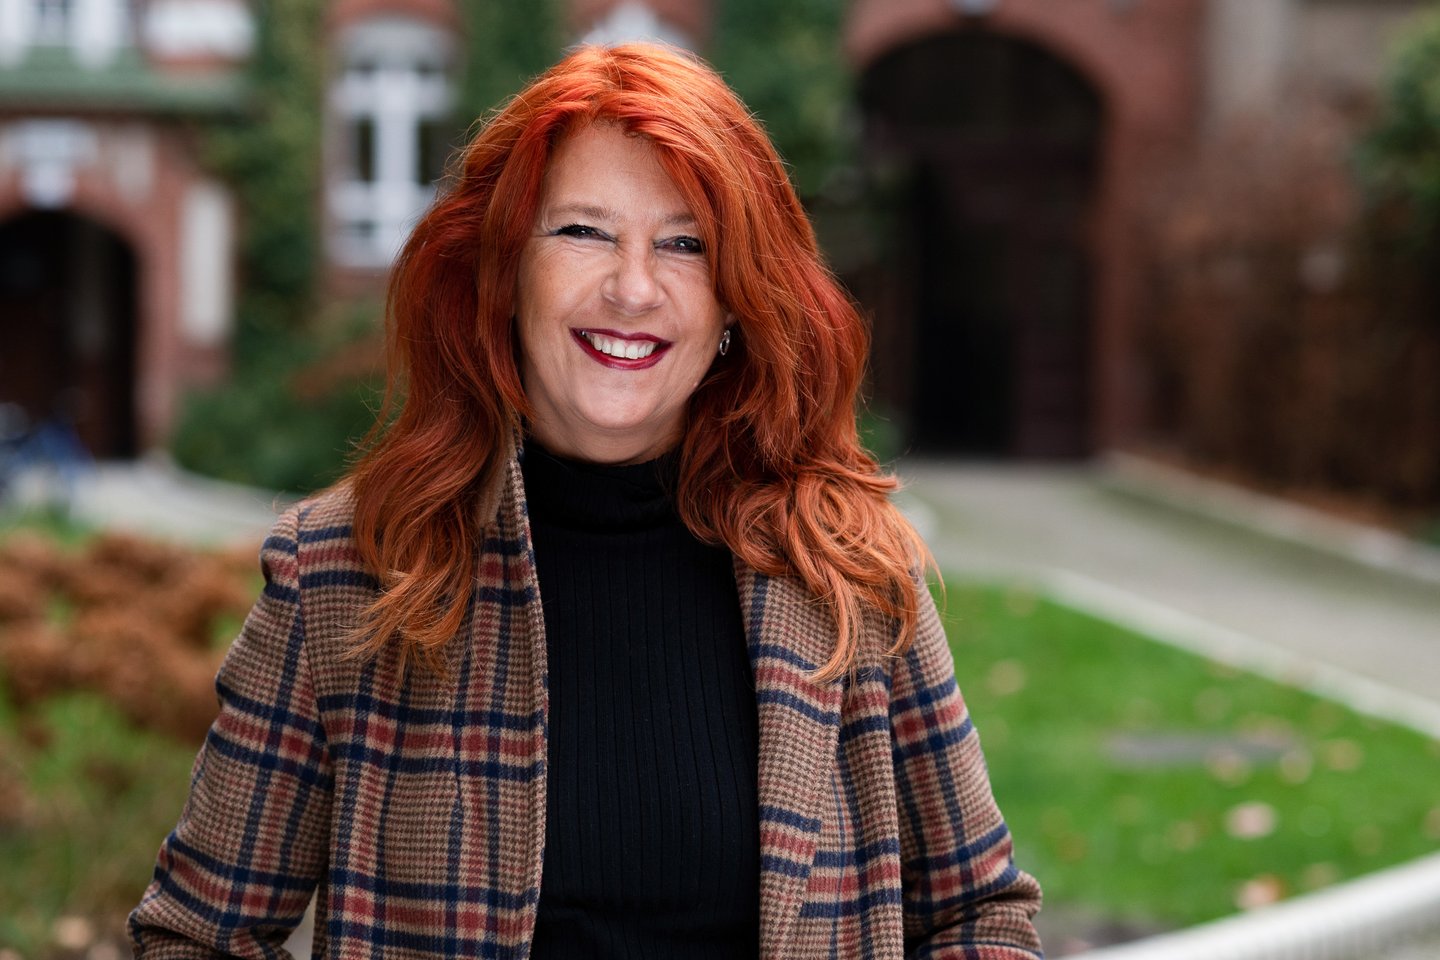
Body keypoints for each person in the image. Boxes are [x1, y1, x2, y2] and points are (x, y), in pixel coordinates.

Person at [129, 42, 1043, 959]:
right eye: (583, 232)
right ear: (503, 271)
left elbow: (981, 915)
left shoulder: (847, 573)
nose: (633, 288)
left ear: (736, 300)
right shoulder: (344, 573)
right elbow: (192, 936)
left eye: (685, 244)